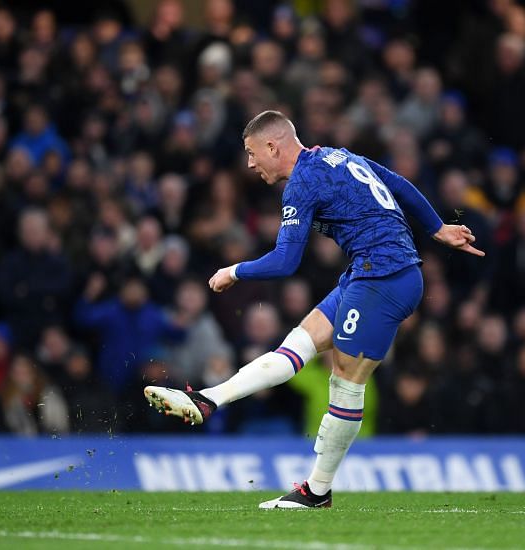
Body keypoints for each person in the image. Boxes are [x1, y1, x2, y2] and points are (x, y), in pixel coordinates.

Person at [144, 110, 483, 509]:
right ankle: (207, 399)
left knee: (345, 379)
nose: (250, 164)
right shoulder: (338, 155)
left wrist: (234, 270)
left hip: (386, 277)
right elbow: (397, 183)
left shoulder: (302, 183)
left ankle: (317, 490)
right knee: (296, 345)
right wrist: (437, 227)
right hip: (367, 273)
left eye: (253, 154)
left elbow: (286, 262)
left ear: (273, 146)